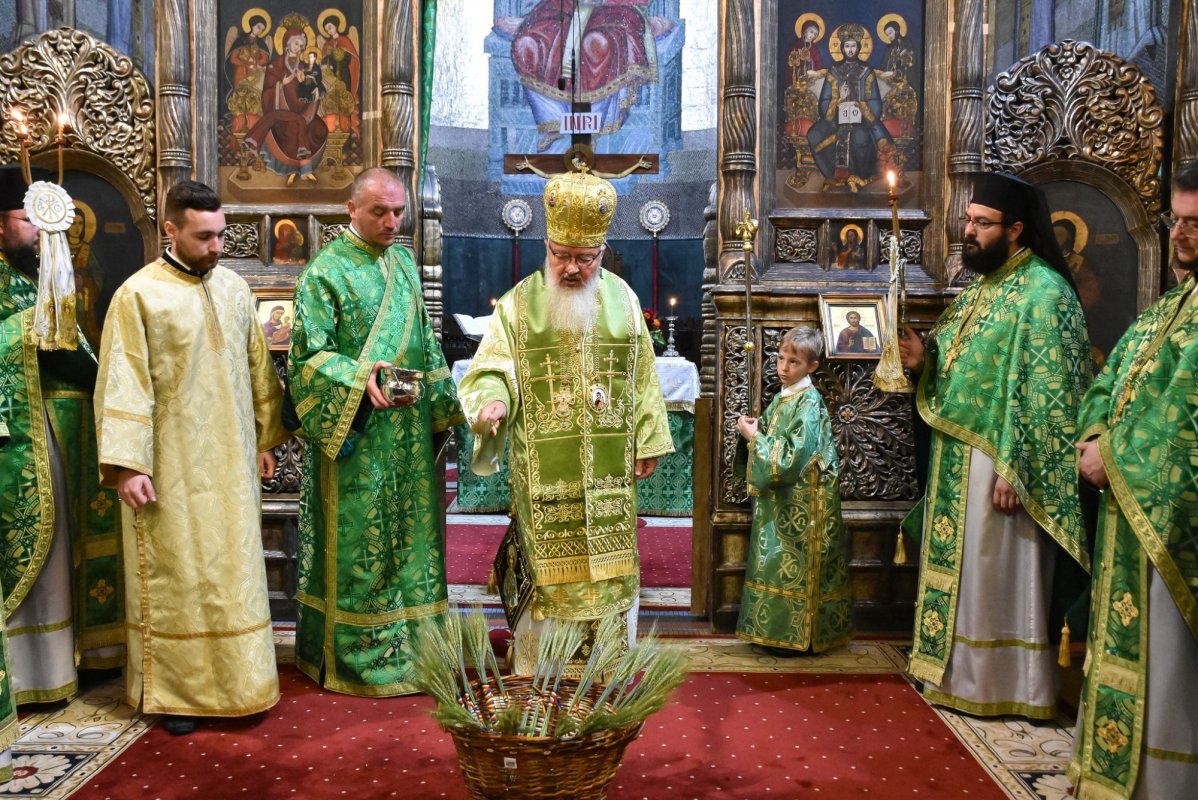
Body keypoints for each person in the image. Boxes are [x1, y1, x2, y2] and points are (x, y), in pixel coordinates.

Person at [459, 165, 673, 674]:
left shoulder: (623, 300)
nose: (572, 268)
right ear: (547, 247)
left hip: (608, 478)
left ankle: (602, 666)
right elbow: (491, 366)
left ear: (602, 254)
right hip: (544, 479)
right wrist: (493, 402)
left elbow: (642, 375)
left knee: (608, 569)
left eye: (585, 258)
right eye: (562, 256)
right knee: (549, 571)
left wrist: (647, 438)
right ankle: (541, 670)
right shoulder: (518, 305)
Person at [94, 180, 287, 735]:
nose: (216, 246)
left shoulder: (232, 289)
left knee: (232, 573)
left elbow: (257, 370)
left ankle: (242, 685)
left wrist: (265, 439)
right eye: (204, 236)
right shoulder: (138, 296)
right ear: (171, 229)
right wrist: (128, 464)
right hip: (169, 469)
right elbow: (122, 382)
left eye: (221, 235)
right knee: (177, 574)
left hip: (230, 464)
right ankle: (175, 697)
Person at [898, 172, 1092, 720]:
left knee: (997, 576)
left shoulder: (1045, 293)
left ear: (1016, 230)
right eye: (968, 220)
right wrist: (923, 361)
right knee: (967, 577)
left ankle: (1007, 684)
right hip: (962, 458)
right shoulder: (983, 288)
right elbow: (963, 370)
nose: (969, 232)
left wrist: (1019, 469)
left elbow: (1052, 393)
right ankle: (956, 674)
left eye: (981, 224)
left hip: (1005, 468)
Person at [288, 167, 464, 697]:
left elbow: (426, 340)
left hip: (408, 435)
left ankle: (420, 650)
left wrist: (446, 409)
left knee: (413, 542)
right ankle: (358, 656)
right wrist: (359, 377)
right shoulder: (324, 273)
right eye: (380, 213)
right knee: (362, 544)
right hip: (356, 436)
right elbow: (306, 358)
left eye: (399, 213)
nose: (392, 222)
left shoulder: (404, 261)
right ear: (351, 210)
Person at [1067, 166, 1198, 799]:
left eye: (1196, 223)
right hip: (1130, 502)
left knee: (1169, 661)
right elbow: (1109, 376)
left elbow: (1185, 422)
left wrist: (1111, 455)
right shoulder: (1171, 306)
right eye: (1177, 220)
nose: (1181, 235)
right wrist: (1094, 435)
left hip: (1174, 518)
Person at [0, 164, 123, 717]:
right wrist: (33, 331)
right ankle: (32, 672)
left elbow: (69, 346)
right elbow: (30, 340)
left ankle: (73, 657)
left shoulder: (36, 277)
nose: (41, 232)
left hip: (66, 429)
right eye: (29, 220)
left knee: (69, 546)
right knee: (40, 555)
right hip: (20, 437)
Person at [735, 327, 853, 654]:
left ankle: (798, 636)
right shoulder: (784, 396)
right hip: (782, 500)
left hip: (805, 503)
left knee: (795, 564)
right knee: (775, 561)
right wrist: (756, 431)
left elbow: (791, 457)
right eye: (781, 358)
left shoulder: (809, 403)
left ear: (811, 367)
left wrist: (754, 439)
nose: (783, 368)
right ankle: (777, 631)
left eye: (794, 362)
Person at [510, 0, 661, 151]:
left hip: (610, 10)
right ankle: (553, 121)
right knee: (527, 45)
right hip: (563, 7)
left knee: (597, 46)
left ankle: (588, 133)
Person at [806, 23, 896, 190]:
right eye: (847, 46)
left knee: (859, 137)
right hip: (835, 120)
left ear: (859, 47)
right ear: (841, 48)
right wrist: (839, 98)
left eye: (853, 46)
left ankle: (858, 177)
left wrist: (860, 106)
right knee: (814, 134)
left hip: (863, 120)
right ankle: (835, 175)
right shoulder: (834, 72)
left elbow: (875, 100)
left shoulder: (866, 71)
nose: (850, 49)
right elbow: (824, 102)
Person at [244, 26, 329, 184]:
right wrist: (283, 83)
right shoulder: (275, 66)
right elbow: (267, 93)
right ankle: (296, 170)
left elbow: (312, 91)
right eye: (297, 44)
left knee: (319, 128)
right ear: (287, 44)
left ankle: (301, 170)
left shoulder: (304, 66)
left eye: (302, 45)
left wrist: (308, 84)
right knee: (294, 127)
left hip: (303, 112)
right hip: (281, 113)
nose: (300, 48)